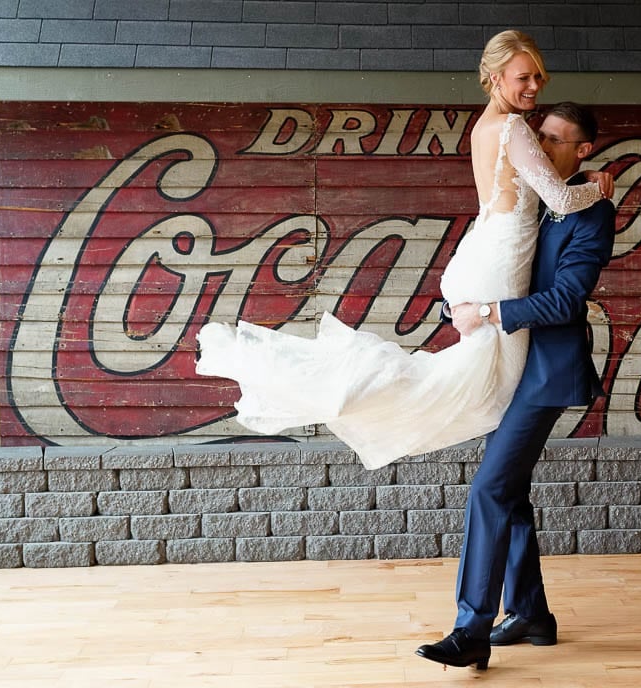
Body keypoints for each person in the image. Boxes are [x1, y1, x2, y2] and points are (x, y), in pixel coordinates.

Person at [194, 31, 611, 471]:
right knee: (474, 385)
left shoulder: (483, 128)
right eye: (524, 77)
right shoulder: (512, 128)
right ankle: (325, 385)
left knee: (461, 381)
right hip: (501, 260)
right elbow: (560, 200)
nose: (534, 87)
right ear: (494, 76)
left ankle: (311, 379)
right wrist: (596, 185)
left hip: (485, 251)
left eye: (539, 78)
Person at [414, 103, 616, 669]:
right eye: (538, 136)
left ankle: (471, 627)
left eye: (554, 140)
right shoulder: (534, 195)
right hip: (511, 363)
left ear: (583, 152)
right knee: (511, 492)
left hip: (547, 372)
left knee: (489, 490)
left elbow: (566, 300)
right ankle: (530, 613)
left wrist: (493, 312)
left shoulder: (591, 212)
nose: (540, 145)